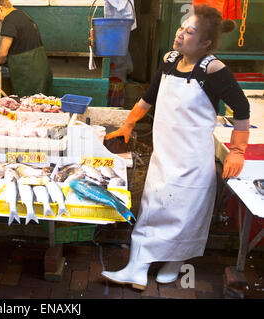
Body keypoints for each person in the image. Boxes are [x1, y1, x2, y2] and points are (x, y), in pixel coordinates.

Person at [101, 4, 250, 290]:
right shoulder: (170, 60)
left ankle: (171, 263)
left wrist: (238, 150)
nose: (180, 34)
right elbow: (149, 96)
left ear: (205, 43)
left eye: (189, 32)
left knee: (184, 215)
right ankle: (137, 268)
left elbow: (242, 110)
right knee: (153, 209)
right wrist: (129, 124)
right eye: (181, 27)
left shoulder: (213, 70)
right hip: (164, 156)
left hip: (193, 162)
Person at [0, 0, 53, 98]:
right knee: (39, 106)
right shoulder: (21, 14)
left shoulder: (9, 20)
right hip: (41, 71)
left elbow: (2, 53)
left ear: (0, 8)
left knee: (27, 108)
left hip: (28, 77)